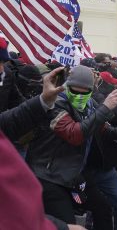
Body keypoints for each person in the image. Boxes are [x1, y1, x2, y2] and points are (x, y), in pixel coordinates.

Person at [26, 65, 117, 230]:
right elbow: (75, 134)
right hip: (50, 176)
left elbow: (105, 129)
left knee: (103, 208)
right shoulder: (56, 103)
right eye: (74, 90)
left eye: (84, 91)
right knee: (68, 224)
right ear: (67, 86)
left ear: (91, 90)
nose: (79, 96)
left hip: (74, 173)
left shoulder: (90, 104)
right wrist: (105, 107)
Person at [0, 67, 86, 230]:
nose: (2, 70)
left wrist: (43, 101)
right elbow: (14, 213)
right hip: (47, 174)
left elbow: (7, 122)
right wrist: (61, 227)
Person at [0, 37, 25, 112]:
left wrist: (41, 103)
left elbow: (17, 101)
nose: (1, 68)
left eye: (2, 62)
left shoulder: (6, 74)